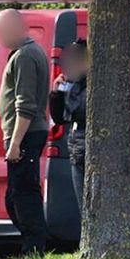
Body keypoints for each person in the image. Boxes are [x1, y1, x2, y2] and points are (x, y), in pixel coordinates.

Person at [0, 8, 51, 256]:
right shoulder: (23, 53)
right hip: (25, 134)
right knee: (15, 195)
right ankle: (32, 244)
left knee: (23, 194)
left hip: (26, 134)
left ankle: (34, 249)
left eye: (2, 30)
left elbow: (24, 103)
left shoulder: (26, 56)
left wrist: (15, 142)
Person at [49, 39, 88, 211]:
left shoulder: (91, 86)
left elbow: (80, 111)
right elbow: (60, 118)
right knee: (84, 207)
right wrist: (57, 94)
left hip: (87, 151)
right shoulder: (74, 85)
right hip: (77, 152)